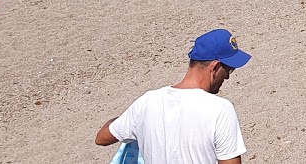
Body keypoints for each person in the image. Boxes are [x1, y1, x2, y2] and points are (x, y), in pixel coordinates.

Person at [96, 29, 250, 164]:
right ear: (215, 67)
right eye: (229, 70)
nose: (228, 78)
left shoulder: (147, 102)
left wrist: (131, 118)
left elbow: (102, 138)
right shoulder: (221, 109)